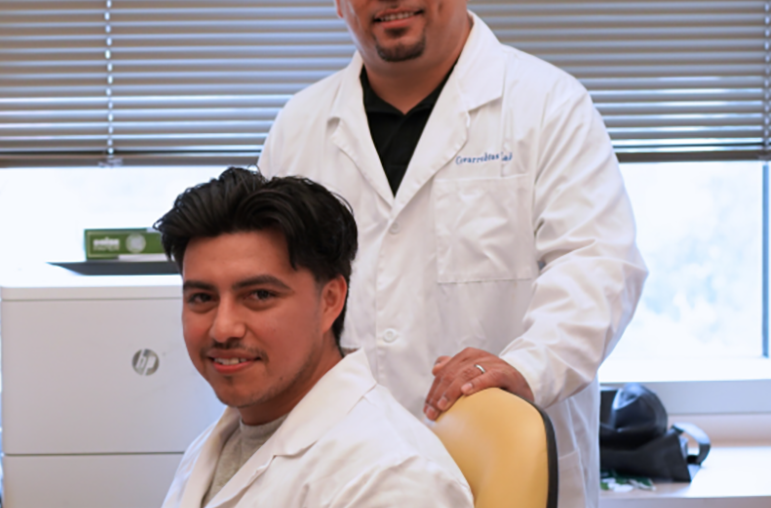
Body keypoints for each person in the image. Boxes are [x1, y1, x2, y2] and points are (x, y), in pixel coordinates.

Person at [256, 1, 648, 507]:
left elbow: (598, 265)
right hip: (339, 473)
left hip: (498, 476)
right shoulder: (298, 126)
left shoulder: (548, 104)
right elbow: (266, 292)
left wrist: (528, 367)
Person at [154, 167, 473, 508]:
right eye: (202, 298)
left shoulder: (393, 479)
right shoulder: (226, 438)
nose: (223, 328)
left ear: (330, 300)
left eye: (259, 295)